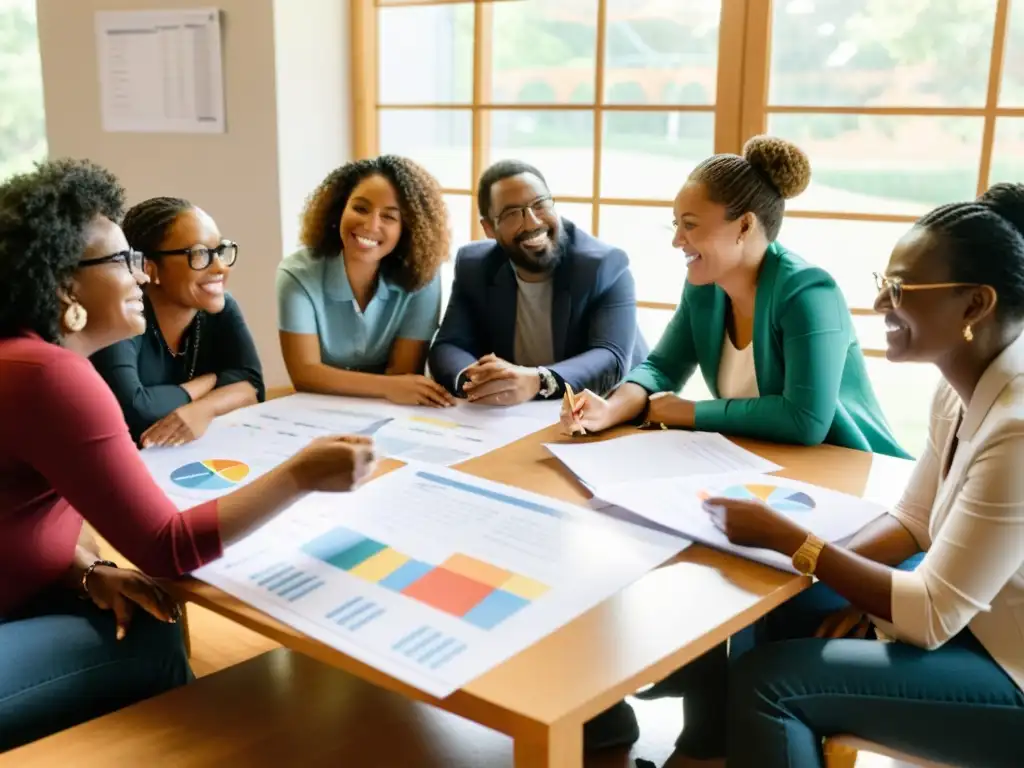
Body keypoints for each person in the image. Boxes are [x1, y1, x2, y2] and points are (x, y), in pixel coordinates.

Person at [0, 159, 377, 752]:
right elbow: (170, 547)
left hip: (22, 601)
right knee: (154, 632)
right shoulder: (52, 376)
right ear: (64, 286)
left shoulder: (27, 360)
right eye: (124, 261)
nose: (140, 277)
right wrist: (302, 473)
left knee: (143, 610)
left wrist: (84, 571)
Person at [651, 183, 1024, 767]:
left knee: (769, 684)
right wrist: (852, 584)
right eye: (884, 282)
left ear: (975, 305)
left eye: (899, 290)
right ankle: (707, 750)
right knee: (780, 610)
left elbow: (928, 615)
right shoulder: (958, 390)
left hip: (1007, 666)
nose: (878, 305)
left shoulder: (1017, 428)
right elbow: (915, 519)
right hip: (974, 614)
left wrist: (792, 541)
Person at [560, 137, 909, 460]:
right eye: (676, 224)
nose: (677, 240)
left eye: (691, 225)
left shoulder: (809, 293)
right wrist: (610, 409)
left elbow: (805, 420)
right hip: (759, 464)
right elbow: (662, 367)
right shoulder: (704, 287)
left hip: (849, 469)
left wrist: (689, 412)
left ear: (744, 226)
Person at [428, 160, 647, 407]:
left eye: (540, 205)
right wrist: (473, 379)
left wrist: (539, 381)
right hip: (521, 416)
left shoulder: (604, 266)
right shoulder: (475, 266)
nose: (532, 222)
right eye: (512, 213)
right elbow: (449, 344)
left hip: (611, 410)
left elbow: (611, 358)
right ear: (489, 228)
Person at [276, 155, 455, 407]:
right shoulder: (296, 275)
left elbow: (403, 372)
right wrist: (389, 387)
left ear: (408, 228)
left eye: (389, 217)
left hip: (393, 412)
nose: (370, 225)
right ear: (340, 209)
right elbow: (305, 375)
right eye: (360, 208)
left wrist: (393, 386)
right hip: (317, 407)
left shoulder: (423, 275)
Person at [90, 197, 264, 447]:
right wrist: (212, 381)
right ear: (150, 269)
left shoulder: (222, 308)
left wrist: (203, 410)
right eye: (200, 254)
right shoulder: (124, 315)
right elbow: (135, 411)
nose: (220, 268)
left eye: (219, 251)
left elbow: (253, 387)